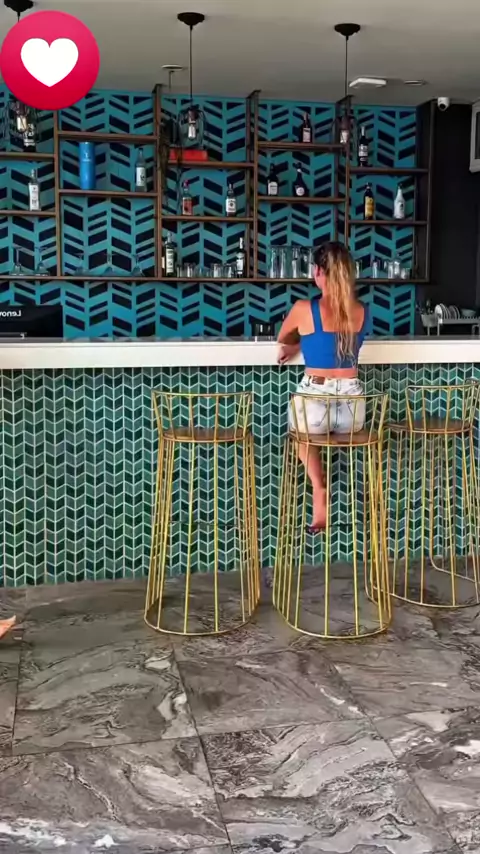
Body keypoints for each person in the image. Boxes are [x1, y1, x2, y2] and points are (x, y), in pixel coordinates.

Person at [277, 241, 371, 532]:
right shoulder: (363, 311)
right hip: (353, 415)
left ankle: (318, 487)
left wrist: (297, 346)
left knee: (300, 436)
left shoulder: (304, 308)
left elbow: (283, 338)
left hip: (314, 409)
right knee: (311, 426)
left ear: (318, 271)